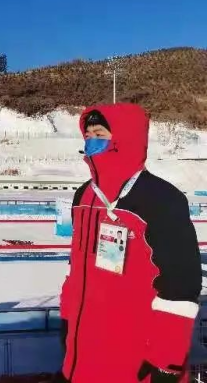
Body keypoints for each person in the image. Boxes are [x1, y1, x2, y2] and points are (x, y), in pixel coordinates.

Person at [55, 103, 201, 383]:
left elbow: (180, 288)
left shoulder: (161, 199)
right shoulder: (84, 196)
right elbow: (75, 271)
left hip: (135, 359)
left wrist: (167, 362)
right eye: (87, 135)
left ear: (125, 138)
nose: (91, 141)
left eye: (100, 134)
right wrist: (67, 322)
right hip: (82, 356)